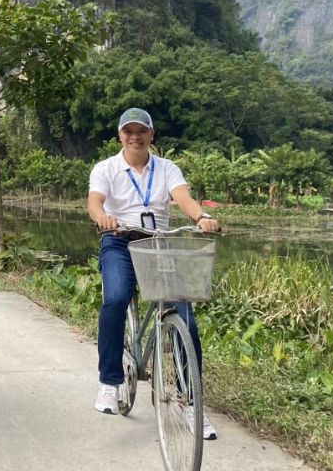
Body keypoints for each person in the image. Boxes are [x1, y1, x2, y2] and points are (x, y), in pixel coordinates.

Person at [87, 107, 221, 440]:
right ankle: (110, 381)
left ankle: (189, 403)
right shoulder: (106, 168)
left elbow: (183, 198)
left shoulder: (167, 168)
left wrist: (201, 217)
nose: (135, 137)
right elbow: (94, 201)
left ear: (151, 135)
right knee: (116, 297)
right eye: (128, 131)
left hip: (158, 244)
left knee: (185, 318)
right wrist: (102, 217)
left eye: (141, 131)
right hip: (118, 241)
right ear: (120, 135)